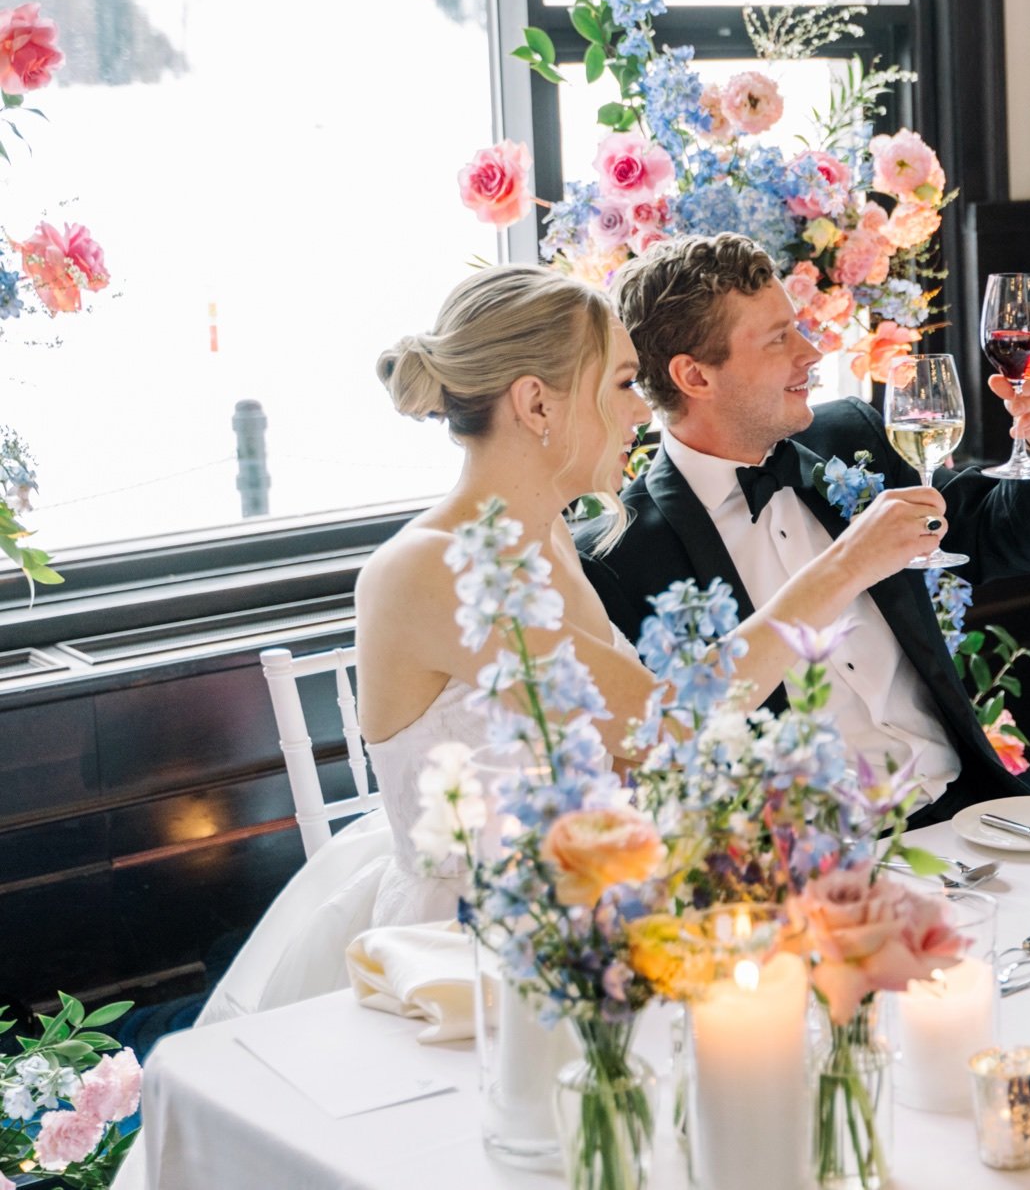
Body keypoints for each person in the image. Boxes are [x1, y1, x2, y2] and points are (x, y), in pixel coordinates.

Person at [200, 264, 932, 1025]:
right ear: (535, 401)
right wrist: (845, 565)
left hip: (589, 917)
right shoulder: (436, 565)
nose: (640, 412)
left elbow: (627, 749)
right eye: (620, 383)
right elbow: (663, 726)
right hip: (472, 958)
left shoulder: (550, 539)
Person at [577, 234, 1030, 822]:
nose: (811, 353)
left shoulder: (851, 437)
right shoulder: (616, 560)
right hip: (807, 866)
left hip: (966, 807)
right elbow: (664, 751)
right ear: (694, 376)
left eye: (796, 327)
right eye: (778, 339)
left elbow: (1011, 539)